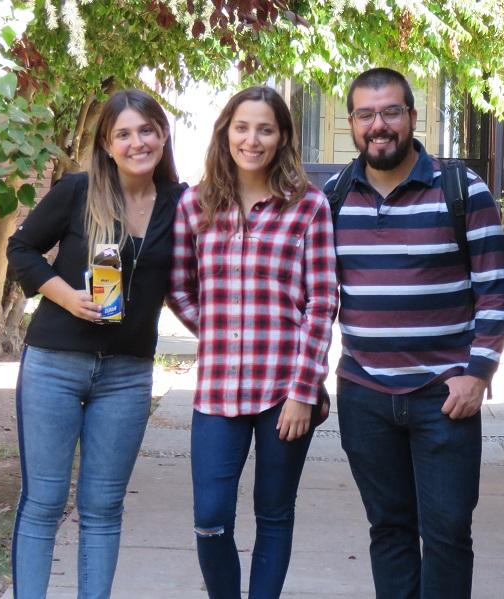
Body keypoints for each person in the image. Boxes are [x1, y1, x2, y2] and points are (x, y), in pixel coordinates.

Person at [324, 68, 504, 599]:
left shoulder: (461, 190)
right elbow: (316, 297)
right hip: (365, 395)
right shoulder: (334, 198)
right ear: (353, 122)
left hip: (445, 397)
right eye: (365, 114)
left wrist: (477, 375)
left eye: (390, 112)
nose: (377, 125)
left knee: (448, 534)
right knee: (389, 531)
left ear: (410, 116)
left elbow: (495, 289)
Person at [7, 88, 186, 598]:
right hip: (54, 365)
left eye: (146, 130)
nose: (137, 143)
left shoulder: (180, 204)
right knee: (42, 501)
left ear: (163, 134)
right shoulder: (78, 191)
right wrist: (66, 296)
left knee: (104, 508)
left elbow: (195, 278)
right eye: (123, 134)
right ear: (107, 144)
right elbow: (22, 248)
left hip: (127, 376)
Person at [167, 85, 337, 599]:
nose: (252, 139)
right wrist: (220, 332)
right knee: (210, 518)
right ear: (226, 132)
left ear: (283, 136)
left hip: (286, 392)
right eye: (242, 127)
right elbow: (179, 287)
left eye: (265, 128)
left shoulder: (309, 206)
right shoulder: (195, 204)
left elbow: (321, 302)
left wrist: (304, 391)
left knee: (274, 514)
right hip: (218, 391)